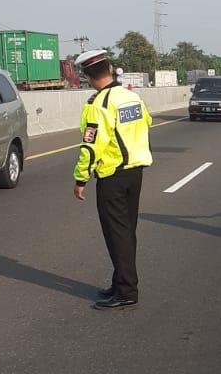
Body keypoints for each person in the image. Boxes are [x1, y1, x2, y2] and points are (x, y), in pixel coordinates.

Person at [72, 50, 153, 310]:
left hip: (112, 175)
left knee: (117, 234)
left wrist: (80, 178)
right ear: (110, 68)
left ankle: (127, 290)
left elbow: (90, 147)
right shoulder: (132, 97)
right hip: (135, 172)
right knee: (127, 231)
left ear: (88, 77)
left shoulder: (99, 105)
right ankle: (121, 282)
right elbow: (147, 122)